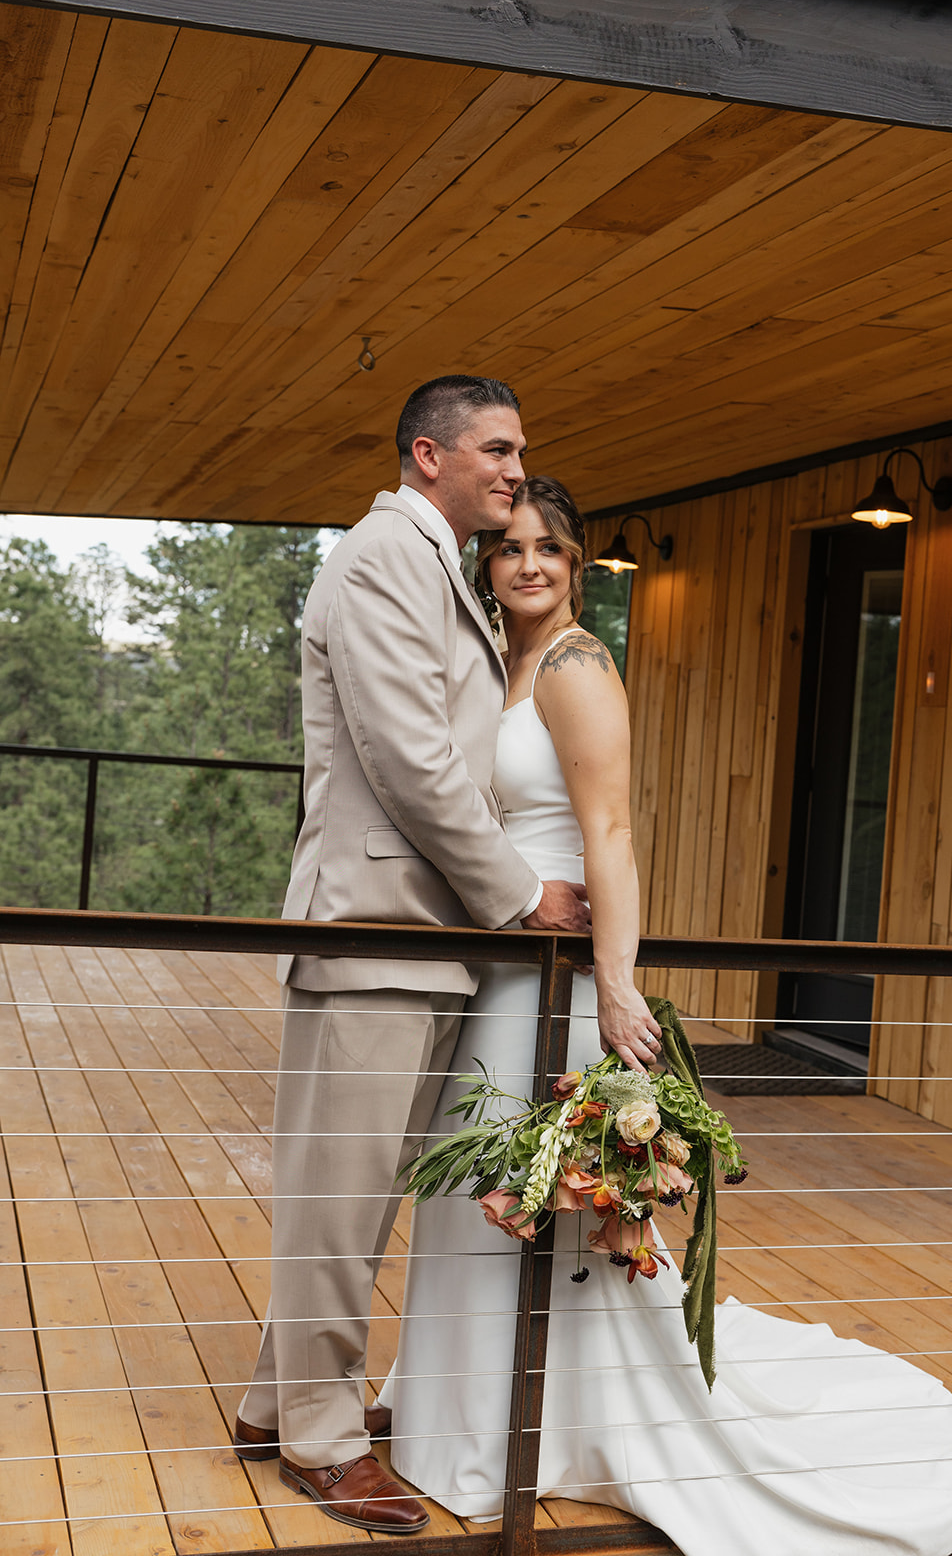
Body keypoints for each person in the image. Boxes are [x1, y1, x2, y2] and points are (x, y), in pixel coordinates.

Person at [378, 476, 952, 1555]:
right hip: (495, 963)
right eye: (510, 547)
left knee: (534, 1192)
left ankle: (529, 1436)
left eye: (550, 552)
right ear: (488, 562)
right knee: (477, 1181)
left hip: (558, 979)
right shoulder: (501, 661)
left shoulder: (575, 668)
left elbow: (609, 833)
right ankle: (464, 1423)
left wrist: (616, 983)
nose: (526, 565)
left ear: (575, 570)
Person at [232, 379, 592, 1533]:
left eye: (521, 449)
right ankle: (323, 1444)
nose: (514, 466)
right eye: (497, 448)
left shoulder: (443, 563)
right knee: (339, 1196)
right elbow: (407, 760)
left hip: (426, 942)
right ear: (427, 455)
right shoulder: (382, 557)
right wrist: (519, 892)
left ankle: (269, 1404)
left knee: (357, 1192)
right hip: (376, 930)